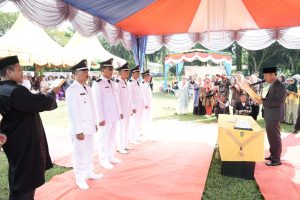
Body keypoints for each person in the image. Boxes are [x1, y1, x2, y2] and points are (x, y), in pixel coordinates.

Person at [0, 56, 60, 199]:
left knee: (17, 176)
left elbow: (28, 101)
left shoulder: (3, 89)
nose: (23, 73)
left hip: (14, 139)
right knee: (26, 181)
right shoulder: (16, 91)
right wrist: (53, 92)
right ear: (9, 72)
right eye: (19, 70)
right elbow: (38, 103)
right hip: (24, 141)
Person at [66, 59, 102, 190]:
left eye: (87, 71)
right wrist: (78, 131)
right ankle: (79, 177)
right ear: (75, 73)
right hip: (80, 129)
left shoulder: (88, 87)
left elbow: (92, 107)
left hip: (89, 127)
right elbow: (73, 112)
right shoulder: (72, 90)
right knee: (79, 154)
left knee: (89, 151)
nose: (86, 73)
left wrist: (94, 123)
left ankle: (89, 171)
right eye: (83, 71)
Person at [92, 58, 123, 170]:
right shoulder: (97, 83)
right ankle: (103, 159)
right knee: (104, 138)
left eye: (112, 69)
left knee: (112, 137)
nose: (111, 71)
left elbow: (116, 99)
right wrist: (100, 118)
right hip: (105, 117)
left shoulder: (113, 82)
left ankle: (110, 156)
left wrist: (119, 112)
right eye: (108, 69)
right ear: (102, 70)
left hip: (113, 115)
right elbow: (97, 102)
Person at [254, 66, 287, 166]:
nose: (264, 78)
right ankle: (273, 155)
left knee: (275, 138)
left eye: (265, 76)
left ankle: (276, 159)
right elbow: (270, 99)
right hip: (270, 115)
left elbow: (278, 102)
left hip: (274, 116)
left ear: (273, 74)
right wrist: (262, 99)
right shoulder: (273, 84)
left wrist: (262, 101)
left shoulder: (280, 86)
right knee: (271, 137)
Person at [115, 63, 134, 154]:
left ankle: (125, 144)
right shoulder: (117, 83)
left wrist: (130, 108)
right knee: (121, 129)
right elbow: (117, 98)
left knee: (126, 128)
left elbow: (128, 97)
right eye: (126, 72)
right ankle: (120, 147)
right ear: (121, 73)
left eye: (128, 72)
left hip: (127, 109)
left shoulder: (125, 82)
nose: (128, 74)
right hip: (122, 111)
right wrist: (119, 111)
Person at [128, 65, 145, 143]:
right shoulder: (130, 82)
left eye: (139, 73)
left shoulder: (138, 82)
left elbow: (141, 94)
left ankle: (137, 136)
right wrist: (132, 106)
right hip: (135, 106)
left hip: (140, 105)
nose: (138, 75)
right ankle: (132, 137)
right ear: (133, 73)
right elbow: (130, 95)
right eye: (137, 73)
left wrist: (143, 103)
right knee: (134, 122)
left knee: (139, 121)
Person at [141, 69, 153, 137]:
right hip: (145, 105)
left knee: (148, 117)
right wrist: (145, 104)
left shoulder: (147, 84)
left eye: (150, 77)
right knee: (144, 117)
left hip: (149, 103)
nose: (150, 78)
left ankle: (147, 130)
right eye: (149, 76)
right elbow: (143, 94)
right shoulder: (142, 84)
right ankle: (143, 131)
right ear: (145, 77)